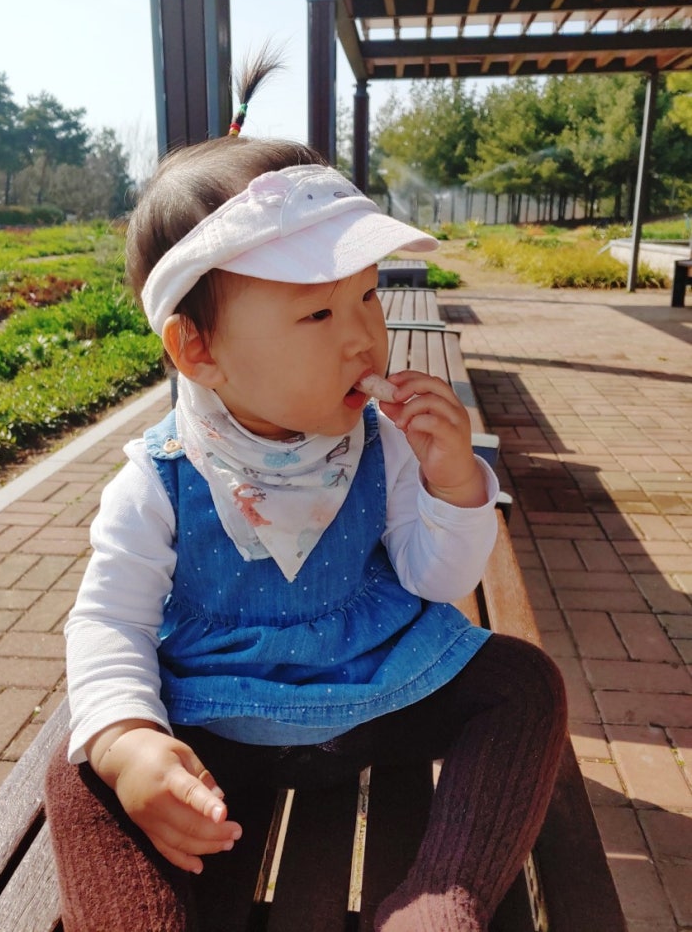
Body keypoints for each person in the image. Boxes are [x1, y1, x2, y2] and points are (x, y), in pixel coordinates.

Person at [45, 53, 567, 932]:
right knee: (84, 766)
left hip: (377, 690)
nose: (362, 336)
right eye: (318, 313)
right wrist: (131, 745)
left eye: (367, 296)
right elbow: (108, 621)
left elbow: (435, 578)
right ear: (197, 350)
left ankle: (438, 899)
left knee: (523, 684)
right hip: (218, 720)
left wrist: (451, 482)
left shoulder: (379, 442)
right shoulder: (160, 478)